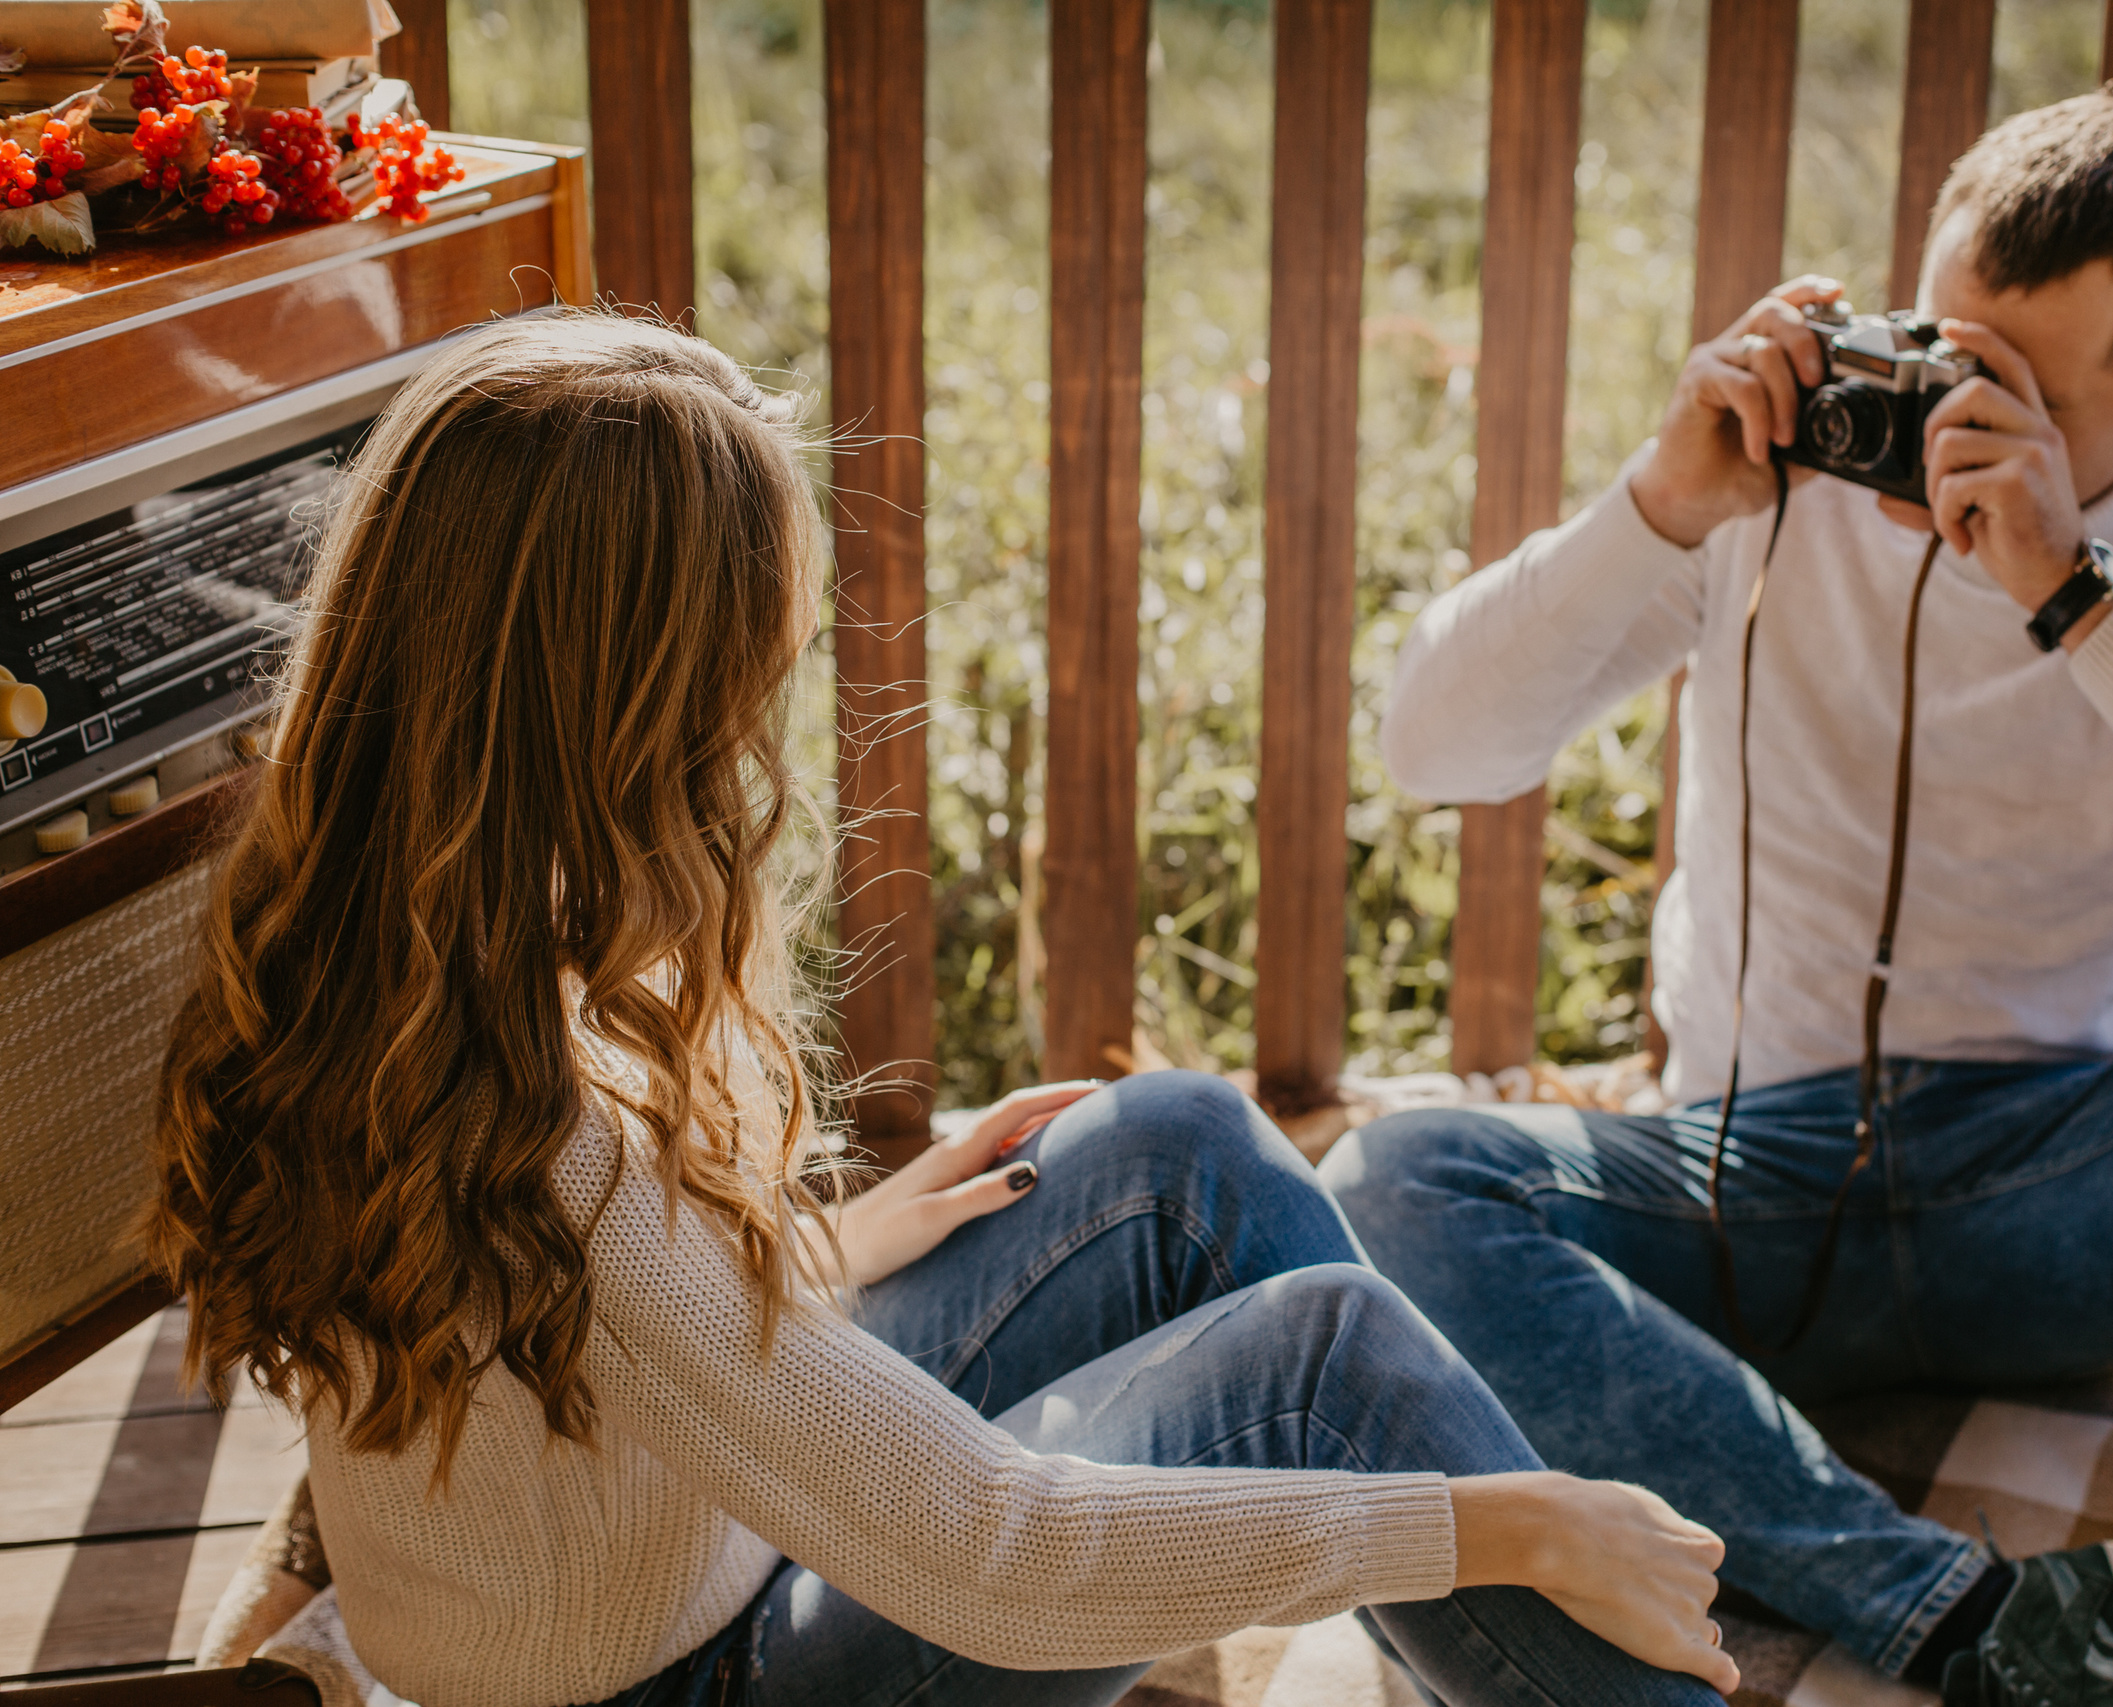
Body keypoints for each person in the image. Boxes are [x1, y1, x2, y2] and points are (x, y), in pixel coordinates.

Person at [143, 315, 1742, 1707]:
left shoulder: (374, 942)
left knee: (1177, 1144)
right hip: (694, 1679)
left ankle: (1520, 1618)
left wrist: (803, 1252)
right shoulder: (573, 1144)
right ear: (622, 709)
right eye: (740, 683)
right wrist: (1495, 1526)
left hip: (685, 1542)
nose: (763, 723)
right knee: (1337, 1373)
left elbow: (599, 1351)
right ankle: (1556, 1588)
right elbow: (995, 1552)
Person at [1326, 89, 2113, 1707]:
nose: (1946, 421)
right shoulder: (1772, 483)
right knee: (1394, 1175)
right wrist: (1657, 506)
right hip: (1750, 1176)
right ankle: (1974, 1622)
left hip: (2065, 1189)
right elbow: (1428, 746)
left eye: (2013, 395)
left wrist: (2078, 592)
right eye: (1939, 355)